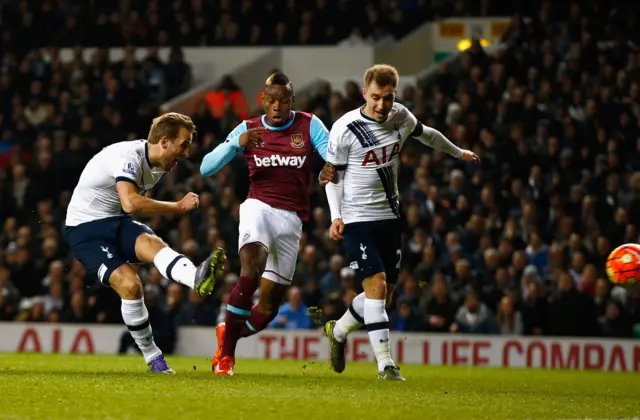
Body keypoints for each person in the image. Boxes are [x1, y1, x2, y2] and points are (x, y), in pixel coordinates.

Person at [321, 64, 479, 381]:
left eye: (388, 98)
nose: (382, 105)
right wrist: (335, 215)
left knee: (384, 296)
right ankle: (386, 365)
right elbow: (332, 177)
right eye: (376, 97)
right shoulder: (345, 128)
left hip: (390, 219)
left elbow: (428, 135)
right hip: (356, 219)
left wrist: (456, 151)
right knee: (377, 286)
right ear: (365, 93)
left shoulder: (401, 117)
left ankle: (338, 331)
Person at [64, 112, 226, 374]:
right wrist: (178, 206)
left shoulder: (160, 165)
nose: (186, 153)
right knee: (130, 285)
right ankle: (154, 358)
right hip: (85, 229)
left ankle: (196, 278)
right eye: (183, 144)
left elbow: (128, 207)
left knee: (153, 244)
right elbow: (131, 203)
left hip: (116, 220)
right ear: (164, 141)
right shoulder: (127, 157)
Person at [200, 71, 333, 375]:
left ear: (291, 101)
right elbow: (207, 167)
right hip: (257, 208)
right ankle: (226, 359)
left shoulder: (309, 124)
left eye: (283, 101)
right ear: (263, 100)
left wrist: (329, 166)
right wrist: (237, 144)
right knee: (251, 272)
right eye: (271, 101)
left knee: (269, 308)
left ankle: (228, 334)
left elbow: (331, 154)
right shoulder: (248, 128)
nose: (277, 106)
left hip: (292, 221)